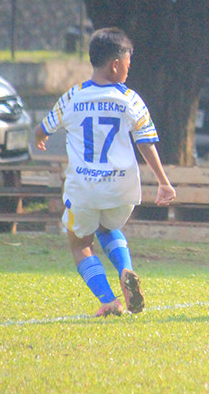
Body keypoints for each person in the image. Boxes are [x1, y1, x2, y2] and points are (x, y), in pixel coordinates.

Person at [34, 27, 176, 317]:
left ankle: (109, 299)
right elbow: (146, 142)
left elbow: (44, 127)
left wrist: (40, 137)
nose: (128, 68)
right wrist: (163, 182)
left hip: (85, 189)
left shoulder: (72, 97)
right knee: (108, 227)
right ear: (115, 64)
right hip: (122, 190)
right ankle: (126, 270)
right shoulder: (131, 100)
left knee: (79, 243)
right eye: (127, 62)